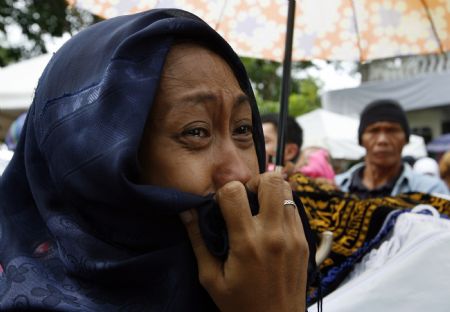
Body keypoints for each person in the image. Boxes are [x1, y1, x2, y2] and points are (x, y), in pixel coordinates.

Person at [0, 9, 316, 311]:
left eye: (244, 129)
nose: (238, 174)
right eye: (196, 132)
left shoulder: (265, 278)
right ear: (91, 167)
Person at [336, 99, 449, 198]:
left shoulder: (431, 191)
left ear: (406, 139)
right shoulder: (336, 187)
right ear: (361, 140)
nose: (382, 140)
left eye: (392, 130)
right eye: (373, 131)